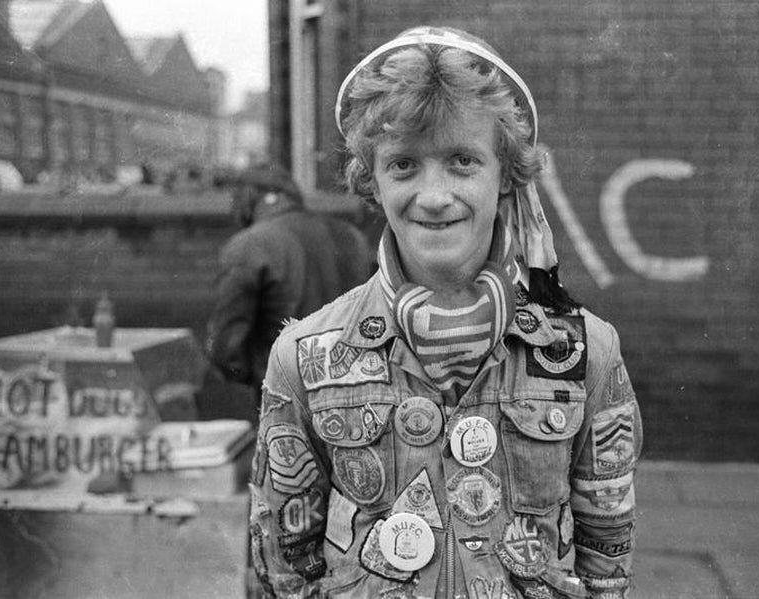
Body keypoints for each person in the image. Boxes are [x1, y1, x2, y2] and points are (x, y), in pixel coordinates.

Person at [249, 27, 642, 599]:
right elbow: (282, 569)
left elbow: (608, 552)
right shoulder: (305, 357)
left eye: (462, 161)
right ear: (372, 180)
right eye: (404, 164)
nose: (433, 196)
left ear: (505, 175)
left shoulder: (586, 352)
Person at [205, 162, 373, 413]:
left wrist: (260, 379)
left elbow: (226, 347)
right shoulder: (350, 235)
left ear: (251, 195)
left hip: (288, 402)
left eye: (236, 197)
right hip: (361, 395)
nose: (234, 208)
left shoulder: (249, 245)